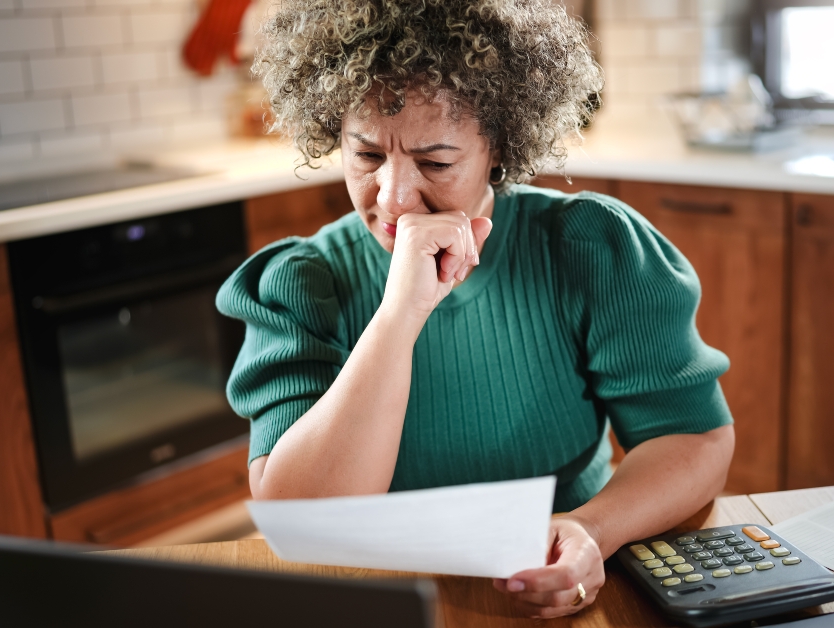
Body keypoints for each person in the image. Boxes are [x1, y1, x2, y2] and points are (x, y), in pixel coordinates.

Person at [217, 0, 736, 618]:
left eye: (435, 162)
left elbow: (691, 437)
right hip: (377, 594)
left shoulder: (590, 247)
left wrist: (592, 529)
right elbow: (303, 522)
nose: (395, 197)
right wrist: (400, 315)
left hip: (553, 577)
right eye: (365, 156)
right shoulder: (302, 283)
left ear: (500, 147)